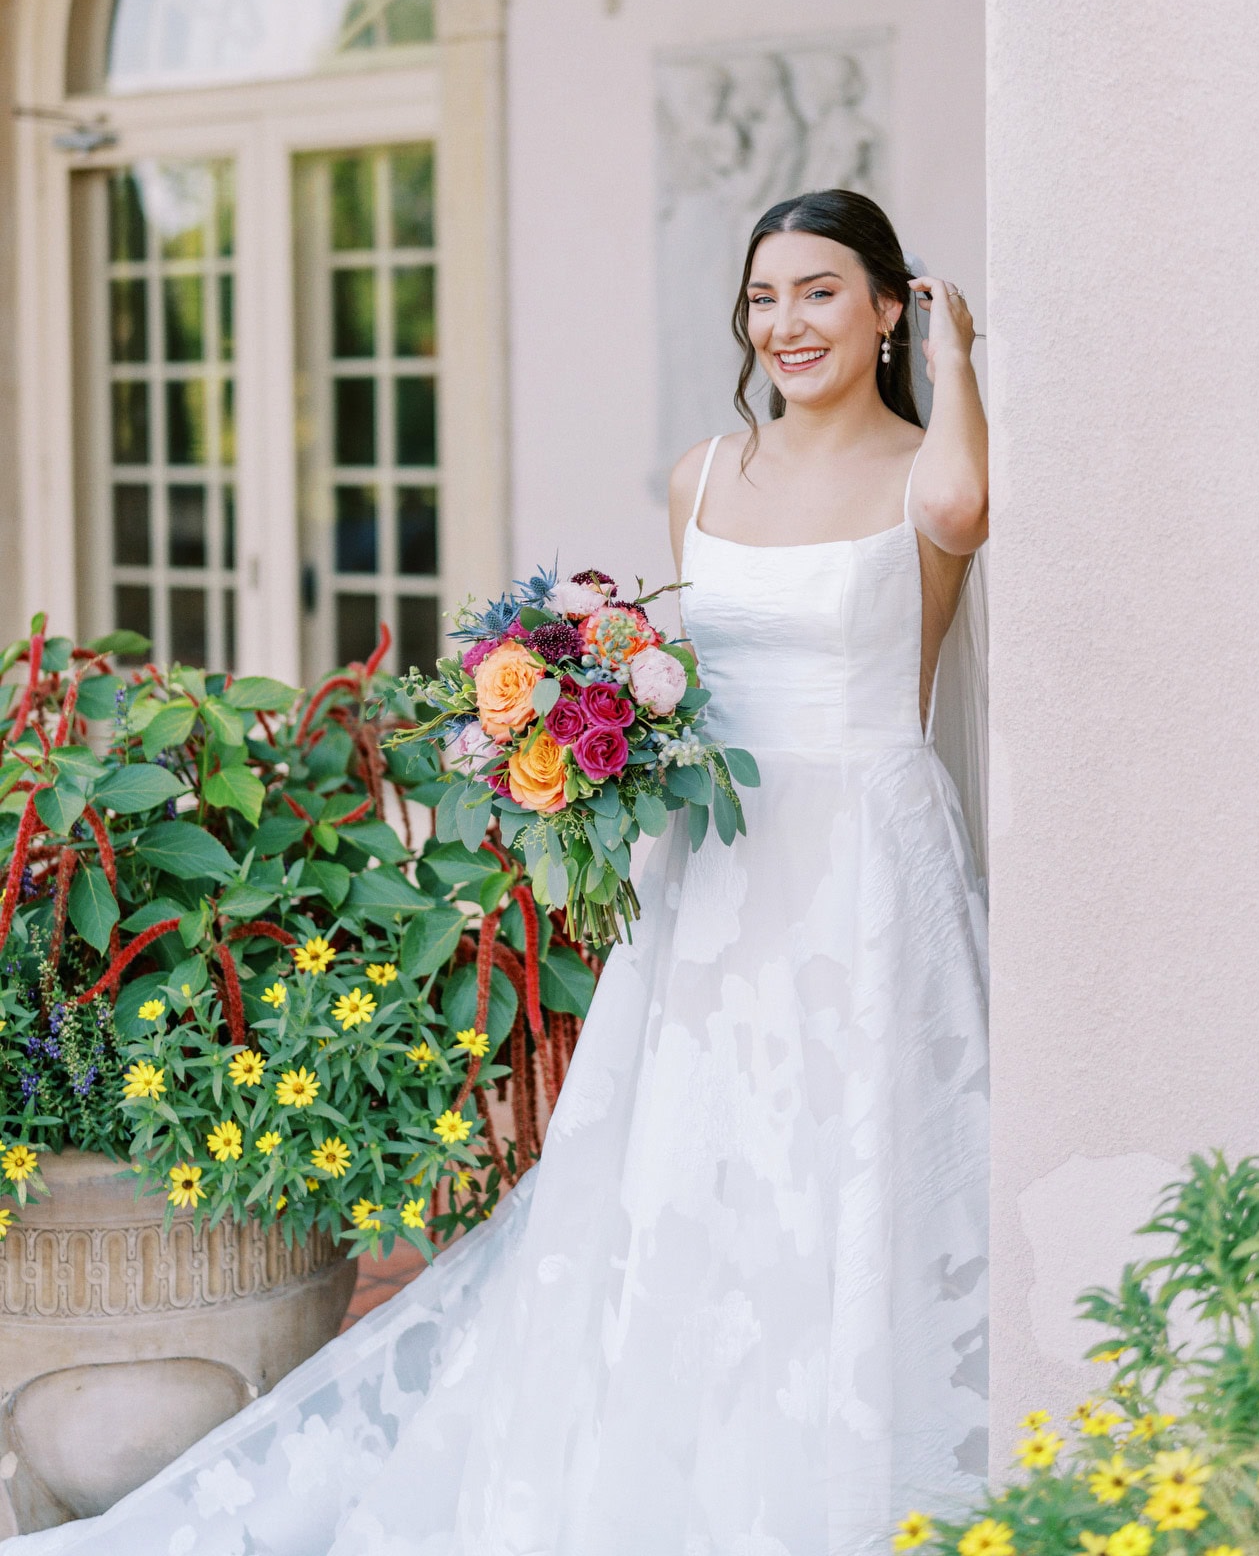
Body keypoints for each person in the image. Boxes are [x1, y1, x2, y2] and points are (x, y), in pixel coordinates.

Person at [13, 189, 988, 1556]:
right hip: (717, 871)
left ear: (888, 303)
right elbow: (685, 680)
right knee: (700, 1168)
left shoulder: (925, 466)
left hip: (869, 863)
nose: (787, 325)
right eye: (764, 298)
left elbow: (956, 526)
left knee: (860, 1152)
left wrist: (957, 361)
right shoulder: (705, 477)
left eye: (822, 292)